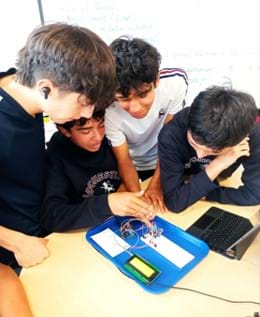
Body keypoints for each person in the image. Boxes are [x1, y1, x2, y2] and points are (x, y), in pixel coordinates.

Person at [0, 22, 119, 270]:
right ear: (46, 88)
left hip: (45, 232)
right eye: (84, 103)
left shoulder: (21, 85)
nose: (87, 113)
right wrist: (17, 243)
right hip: (19, 250)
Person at [105, 36, 188, 213]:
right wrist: (138, 197)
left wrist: (157, 183)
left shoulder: (175, 83)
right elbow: (124, 159)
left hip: (165, 160)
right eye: (123, 99)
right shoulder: (105, 107)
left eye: (143, 95)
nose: (135, 108)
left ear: (156, 79)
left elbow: (170, 139)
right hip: (131, 168)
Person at [42, 109, 154, 232]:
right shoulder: (57, 156)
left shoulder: (111, 136)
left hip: (122, 219)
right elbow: (52, 217)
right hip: (87, 228)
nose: (98, 137)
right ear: (64, 130)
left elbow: (126, 165)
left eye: (102, 126)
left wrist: (125, 190)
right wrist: (107, 204)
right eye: (86, 131)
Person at [158, 86, 260, 212]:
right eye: (193, 143)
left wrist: (210, 193)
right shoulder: (172, 133)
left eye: (214, 151)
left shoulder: (252, 134)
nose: (200, 155)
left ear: (239, 141)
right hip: (182, 178)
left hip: (216, 183)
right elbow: (174, 202)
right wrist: (217, 164)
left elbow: (255, 194)